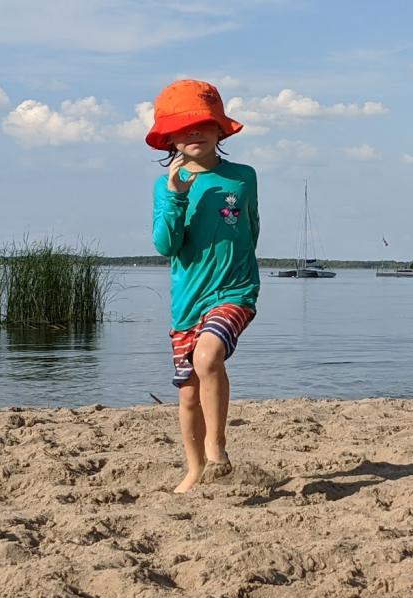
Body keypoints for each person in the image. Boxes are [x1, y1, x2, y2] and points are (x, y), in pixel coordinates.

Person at [148, 80, 260, 493]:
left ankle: (217, 446)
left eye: (203, 125)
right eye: (184, 127)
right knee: (188, 395)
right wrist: (176, 195)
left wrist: (240, 276)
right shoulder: (166, 186)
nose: (194, 133)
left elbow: (251, 228)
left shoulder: (243, 178)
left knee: (209, 355)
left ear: (219, 129)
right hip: (187, 302)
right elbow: (165, 244)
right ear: (170, 138)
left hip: (235, 292)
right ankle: (194, 469)